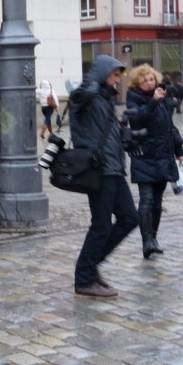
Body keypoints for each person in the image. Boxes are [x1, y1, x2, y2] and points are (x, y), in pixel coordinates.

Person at [69, 54, 139, 298]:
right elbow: (80, 97)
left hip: (115, 168)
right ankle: (84, 279)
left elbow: (107, 132)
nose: (118, 80)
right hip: (99, 169)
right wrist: (95, 81)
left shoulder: (106, 99)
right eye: (114, 74)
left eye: (119, 75)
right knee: (101, 225)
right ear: (101, 73)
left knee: (130, 218)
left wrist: (131, 136)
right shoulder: (85, 96)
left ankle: (91, 264)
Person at [125, 64, 183, 259]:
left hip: (163, 156)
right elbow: (138, 121)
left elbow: (170, 127)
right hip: (145, 156)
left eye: (152, 79)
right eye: (145, 80)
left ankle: (154, 238)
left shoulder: (163, 98)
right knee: (146, 200)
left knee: (157, 203)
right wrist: (153, 102)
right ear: (138, 83)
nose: (150, 83)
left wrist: (179, 149)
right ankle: (146, 241)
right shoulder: (133, 98)